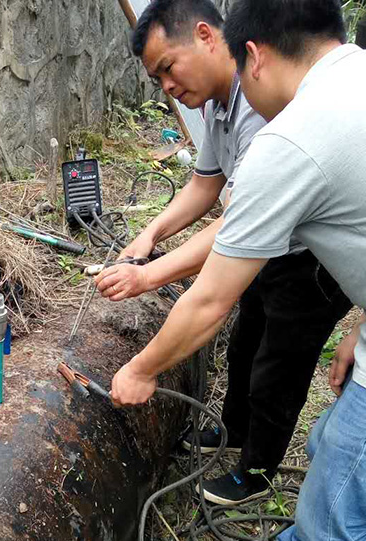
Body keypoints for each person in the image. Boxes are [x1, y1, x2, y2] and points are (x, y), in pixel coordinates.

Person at [109, 0, 366, 541]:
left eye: (168, 69)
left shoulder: (295, 132)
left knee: (341, 504)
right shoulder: (354, 81)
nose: (169, 89)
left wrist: (140, 367)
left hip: (301, 270)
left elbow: (212, 295)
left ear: (248, 50)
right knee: (331, 451)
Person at [96, 0, 351, 507]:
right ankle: (232, 429)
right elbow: (205, 184)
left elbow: (233, 233)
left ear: (209, 37)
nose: (166, 86)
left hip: (308, 262)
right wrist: (151, 235)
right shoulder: (216, 102)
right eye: (156, 79)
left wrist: (148, 281)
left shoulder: (273, 107)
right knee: (245, 346)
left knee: (278, 366)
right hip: (266, 251)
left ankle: (256, 471)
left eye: (168, 67)